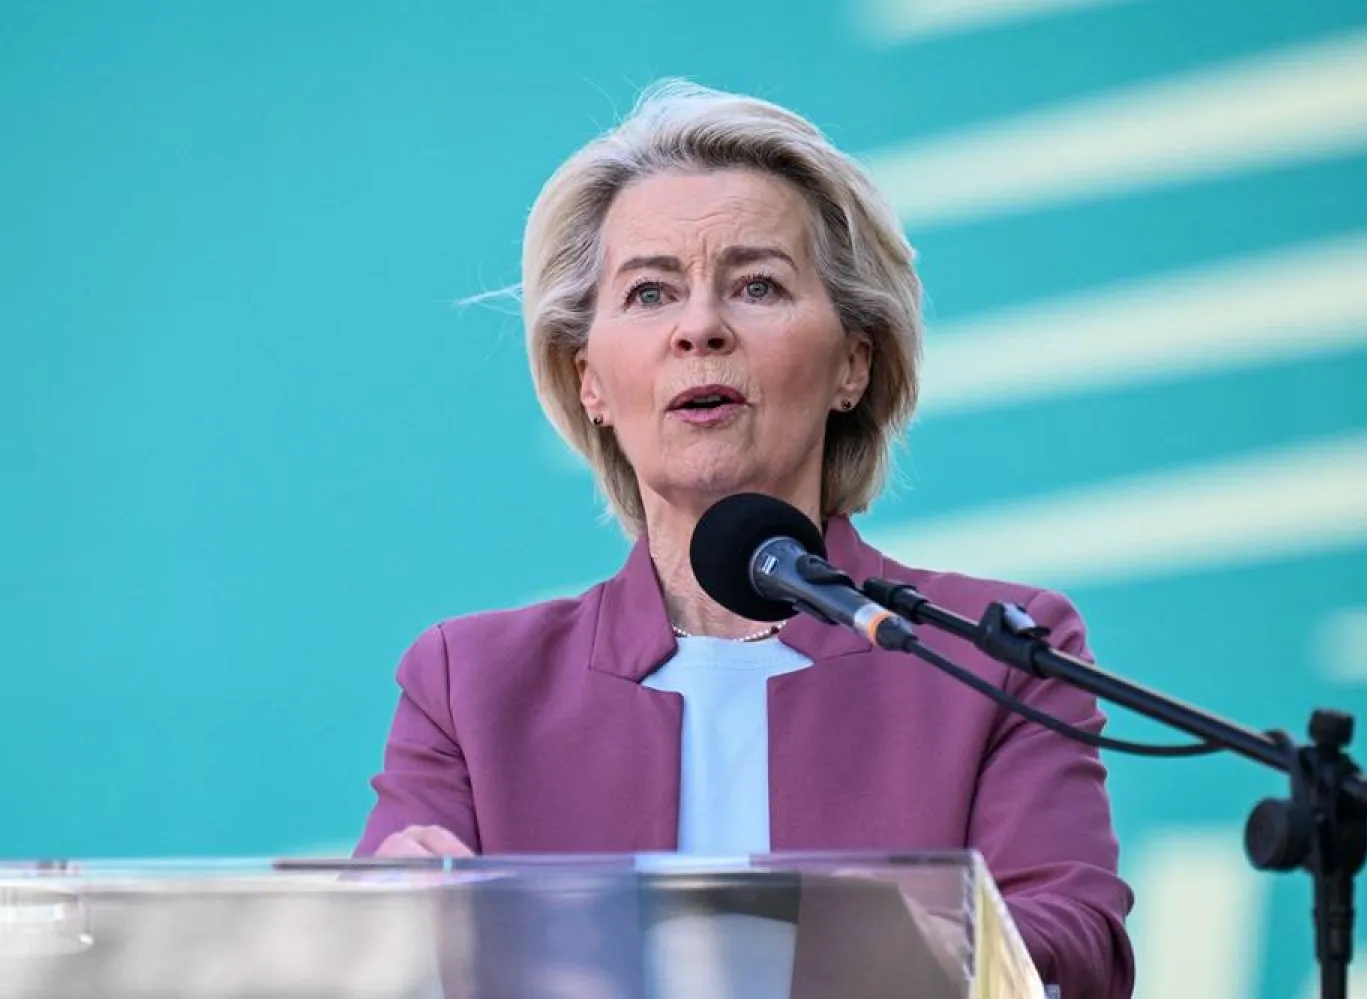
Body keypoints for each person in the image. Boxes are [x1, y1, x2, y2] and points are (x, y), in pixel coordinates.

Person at [354, 80, 1134, 998]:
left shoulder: (992, 651)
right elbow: (376, 943)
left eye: (757, 284)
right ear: (589, 379)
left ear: (854, 362)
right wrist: (383, 924)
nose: (700, 328)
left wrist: (881, 943)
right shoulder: (471, 683)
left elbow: (1074, 946)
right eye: (649, 292)